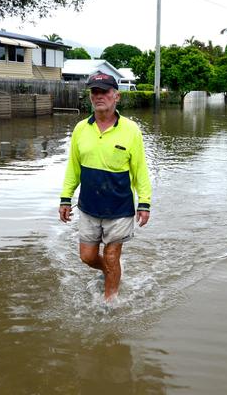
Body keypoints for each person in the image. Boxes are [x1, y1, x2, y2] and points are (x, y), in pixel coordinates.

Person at [59, 71, 151, 301]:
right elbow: (73, 168)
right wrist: (65, 198)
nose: (99, 96)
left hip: (119, 207)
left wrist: (145, 203)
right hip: (89, 206)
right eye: (94, 92)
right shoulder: (81, 129)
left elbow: (140, 169)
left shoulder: (131, 130)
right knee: (88, 257)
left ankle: (110, 302)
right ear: (90, 97)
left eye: (105, 92)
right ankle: (111, 273)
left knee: (111, 257)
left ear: (116, 96)